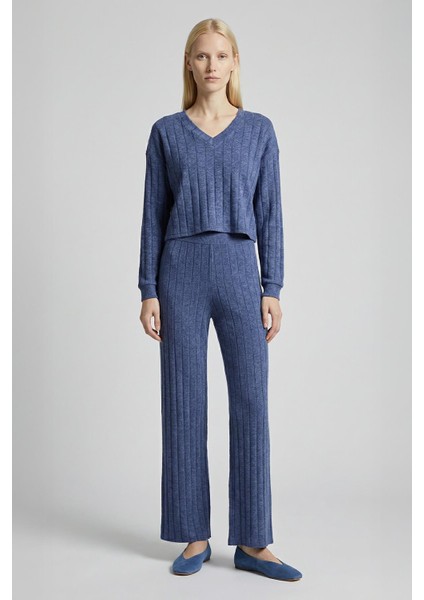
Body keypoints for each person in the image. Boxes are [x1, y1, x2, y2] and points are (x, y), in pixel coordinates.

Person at [138, 18, 303, 582]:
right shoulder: (166, 132)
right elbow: (152, 215)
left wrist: (272, 287)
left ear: (235, 63)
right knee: (184, 403)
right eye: (202, 56)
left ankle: (254, 542)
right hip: (179, 271)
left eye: (221, 55)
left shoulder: (259, 130)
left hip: (238, 270)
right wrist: (148, 289)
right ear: (189, 63)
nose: (212, 65)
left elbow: (271, 213)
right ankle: (195, 535)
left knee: (251, 402)